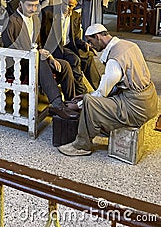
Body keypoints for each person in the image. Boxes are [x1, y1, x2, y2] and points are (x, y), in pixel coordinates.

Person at [58, 23, 158, 156]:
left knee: (89, 101)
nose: (90, 45)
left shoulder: (114, 60)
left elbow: (101, 94)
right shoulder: (128, 45)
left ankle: (82, 145)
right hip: (150, 101)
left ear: (98, 36)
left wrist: (78, 105)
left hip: (136, 107)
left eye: (90, 41)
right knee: (91, 98)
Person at [2, 0, 78, 120]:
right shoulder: (11, 21)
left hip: (34, 59)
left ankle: (71, 103)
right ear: (21, 3)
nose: (33, 9)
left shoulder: (36, 19)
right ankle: (58, 105)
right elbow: (11, 50)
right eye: (30, 5)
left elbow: (39, 45)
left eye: (36, 5)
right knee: (40, 61)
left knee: (64, 65)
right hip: (17, 64)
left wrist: (51, 57)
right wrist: (38, 54)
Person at [41, 0, 100, 93]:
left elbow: (75, 37)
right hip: (54, 48)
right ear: (61, 2)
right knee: (74, 60)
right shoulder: (48, 12)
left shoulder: (75, 16)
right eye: (65, 4)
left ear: (75, 5)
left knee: (88, 57)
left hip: (68, 46)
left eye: (71, 6)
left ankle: (100, 89)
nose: (67, 8)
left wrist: (84, 44)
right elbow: (41, 34)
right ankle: (80, 91)